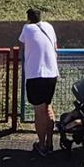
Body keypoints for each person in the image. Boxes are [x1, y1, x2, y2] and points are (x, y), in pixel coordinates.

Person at [19, 9, 61, 155]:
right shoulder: (49, 27)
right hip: (52, 73)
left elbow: (22, 45)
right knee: (48, 108)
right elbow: (55, 47)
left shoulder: (27, 28)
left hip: (35, 75)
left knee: (39, 111)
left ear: (28, 19)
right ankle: (50, 142)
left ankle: (42, 145)